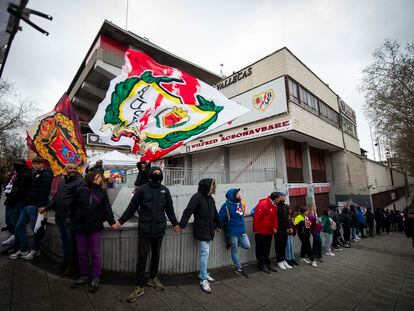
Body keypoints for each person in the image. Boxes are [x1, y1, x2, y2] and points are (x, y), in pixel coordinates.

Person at [112, 166, 180, 302]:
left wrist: (175, 224)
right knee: (142, 257)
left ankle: (153, 278)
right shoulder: (142, 189)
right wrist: (120, 221)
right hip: (145, 230)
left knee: (156, 256)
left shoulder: (165, 191)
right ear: (149, 175)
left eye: (159, 173)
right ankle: (139, 285)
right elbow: (131, 208)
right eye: (154, 173)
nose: (157, 174)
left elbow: (170, 210)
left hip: (159, 229)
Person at [70, 171, 116, 292]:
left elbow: (107, 208)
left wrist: (112, 222)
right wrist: (71, 218)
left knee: (95, 254)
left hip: (95, 227)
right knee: (82, 253)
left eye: (100, 177)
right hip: (80, 227)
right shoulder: (80, 190)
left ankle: (95, 277)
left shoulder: (102, 192)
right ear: (90, 179)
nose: (100, 179)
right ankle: (84, 275)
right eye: (97, 177)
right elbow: (73, 207)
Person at [39, 162, 85, 274]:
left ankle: (72, 266)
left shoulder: (80, 182)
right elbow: (57, 199)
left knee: (71, 243)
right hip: (59, 216)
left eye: (75, 168)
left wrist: (70, 215)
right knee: (64, 241)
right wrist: (46, 207)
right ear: (65, 169)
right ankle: (65, 261)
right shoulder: (62, 181)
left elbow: (78, 202)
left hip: (68, 218)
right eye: (70, 168)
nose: (73, 169)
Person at [179, 178, 222, 294]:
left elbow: (215, 213)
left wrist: (219, 225)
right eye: (212, 185)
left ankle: (202, 273)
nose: (213, 188)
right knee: (205, 253)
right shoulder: (196, 197)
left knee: (206, 253)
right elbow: (188, 211)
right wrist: (181, 225)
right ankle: (203, 278)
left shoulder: (210, 199)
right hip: (202, 230)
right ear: (207, 186)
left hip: (209, 230)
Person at [10, 157, 53, 260]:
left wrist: (42, 206)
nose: (36, 165)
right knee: (19, 227)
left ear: (43, 164)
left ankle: (35, 250)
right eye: (34, 164)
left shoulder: (46, 175)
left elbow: (45, 192)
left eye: (38, 164)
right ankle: (24, 249)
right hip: (27, 205)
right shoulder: (34, 174)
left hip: (36, 206)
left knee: (36, 230)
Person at [218, 188, 250, 278]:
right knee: (234, 250)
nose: (239, 195)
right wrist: (218, 226)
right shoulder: (226, 206)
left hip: (241, 230)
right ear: (232, 196)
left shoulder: (240, 203)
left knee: (247, 245)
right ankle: (238, 268)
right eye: (237, 194)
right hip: (232, 232)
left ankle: (230, 243)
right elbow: (220, 217)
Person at [1, 159, 32, 249]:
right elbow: (11, 186)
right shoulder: (17, 174)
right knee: (12, 221)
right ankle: (16, 240)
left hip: (18, 201)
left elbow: (20, 190)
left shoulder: (25, 175)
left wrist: (12, 197)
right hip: (12, 200)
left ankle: (20, 245)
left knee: (17, 224)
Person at [253, 192, 279, 274]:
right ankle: (261, 264)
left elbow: (274, 217)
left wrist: (275, 227)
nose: (281, 199)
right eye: (280, 197)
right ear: (276, 198)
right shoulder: (263, 204)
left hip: (269, 231)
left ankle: (267, 263)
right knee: (260, 248)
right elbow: (257, 218)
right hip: (261, 231)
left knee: (267, 248)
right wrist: (256, 230)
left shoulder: (274, 206)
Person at [274, 192, 292, 270]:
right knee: (279, 245)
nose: (284, 198)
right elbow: (275, 219)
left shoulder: (285, 207)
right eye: (283, 196)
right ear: (279, 197)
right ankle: (279, 261)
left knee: (284, 245)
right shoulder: (276, 207)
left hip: (285, 229)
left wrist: (289, 227)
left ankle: (283, 260)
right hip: (278, 230)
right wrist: (276, 228)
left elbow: (286, 218)